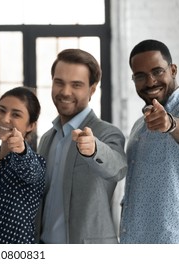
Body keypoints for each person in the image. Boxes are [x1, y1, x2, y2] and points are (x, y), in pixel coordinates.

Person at [36, 48, 127, 244]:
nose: (65, 92)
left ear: (92, 89)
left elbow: (117, 168)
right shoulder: (46, 139)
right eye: (59, 82)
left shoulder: (106, 133)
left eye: (76, 85)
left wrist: (94, 149)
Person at [119, 39, 179, 244]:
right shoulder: (139, 126)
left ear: (173, 70)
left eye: (157, 71)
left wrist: (171, 124)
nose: (150, 81)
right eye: (140, 76)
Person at [0, 86, 46, 244]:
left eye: (16, 114)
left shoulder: (35, 162)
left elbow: (31, 171)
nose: (5, 119)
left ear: (30, 126)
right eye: (1, 110)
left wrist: (21, 150)